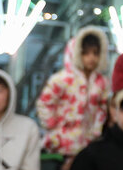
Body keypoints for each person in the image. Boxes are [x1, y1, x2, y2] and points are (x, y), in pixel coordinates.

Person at [38, 26, 111, 157]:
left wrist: (96, 131)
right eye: (86, 53)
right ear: (76, 53)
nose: (91, 58)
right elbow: (45, 102)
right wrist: (53, 126)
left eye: (95, 53)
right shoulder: (61, 79)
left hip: (90, 143)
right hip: (60, 143)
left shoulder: (102, 82)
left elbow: (103, 108)